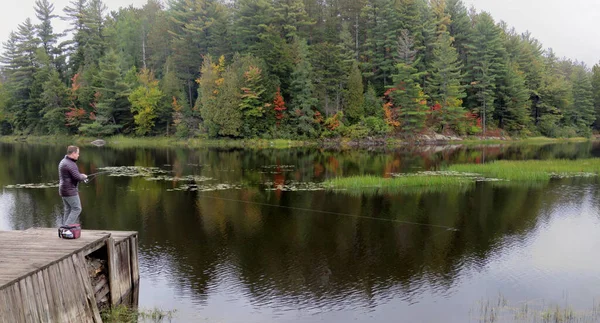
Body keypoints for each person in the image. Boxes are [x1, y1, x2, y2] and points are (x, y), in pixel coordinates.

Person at [58, 146, 87, 225]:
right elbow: (77, 177)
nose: (78, 155)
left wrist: (80, 176)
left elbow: (73, 176)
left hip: (63, 190)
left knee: (68, 209)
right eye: (77, 153)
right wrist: (84, 176)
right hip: (70, 191)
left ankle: (64, 227)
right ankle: (66, 228)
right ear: (73, 153)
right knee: (77, 208)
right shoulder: (70, 164)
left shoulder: (63, 161)